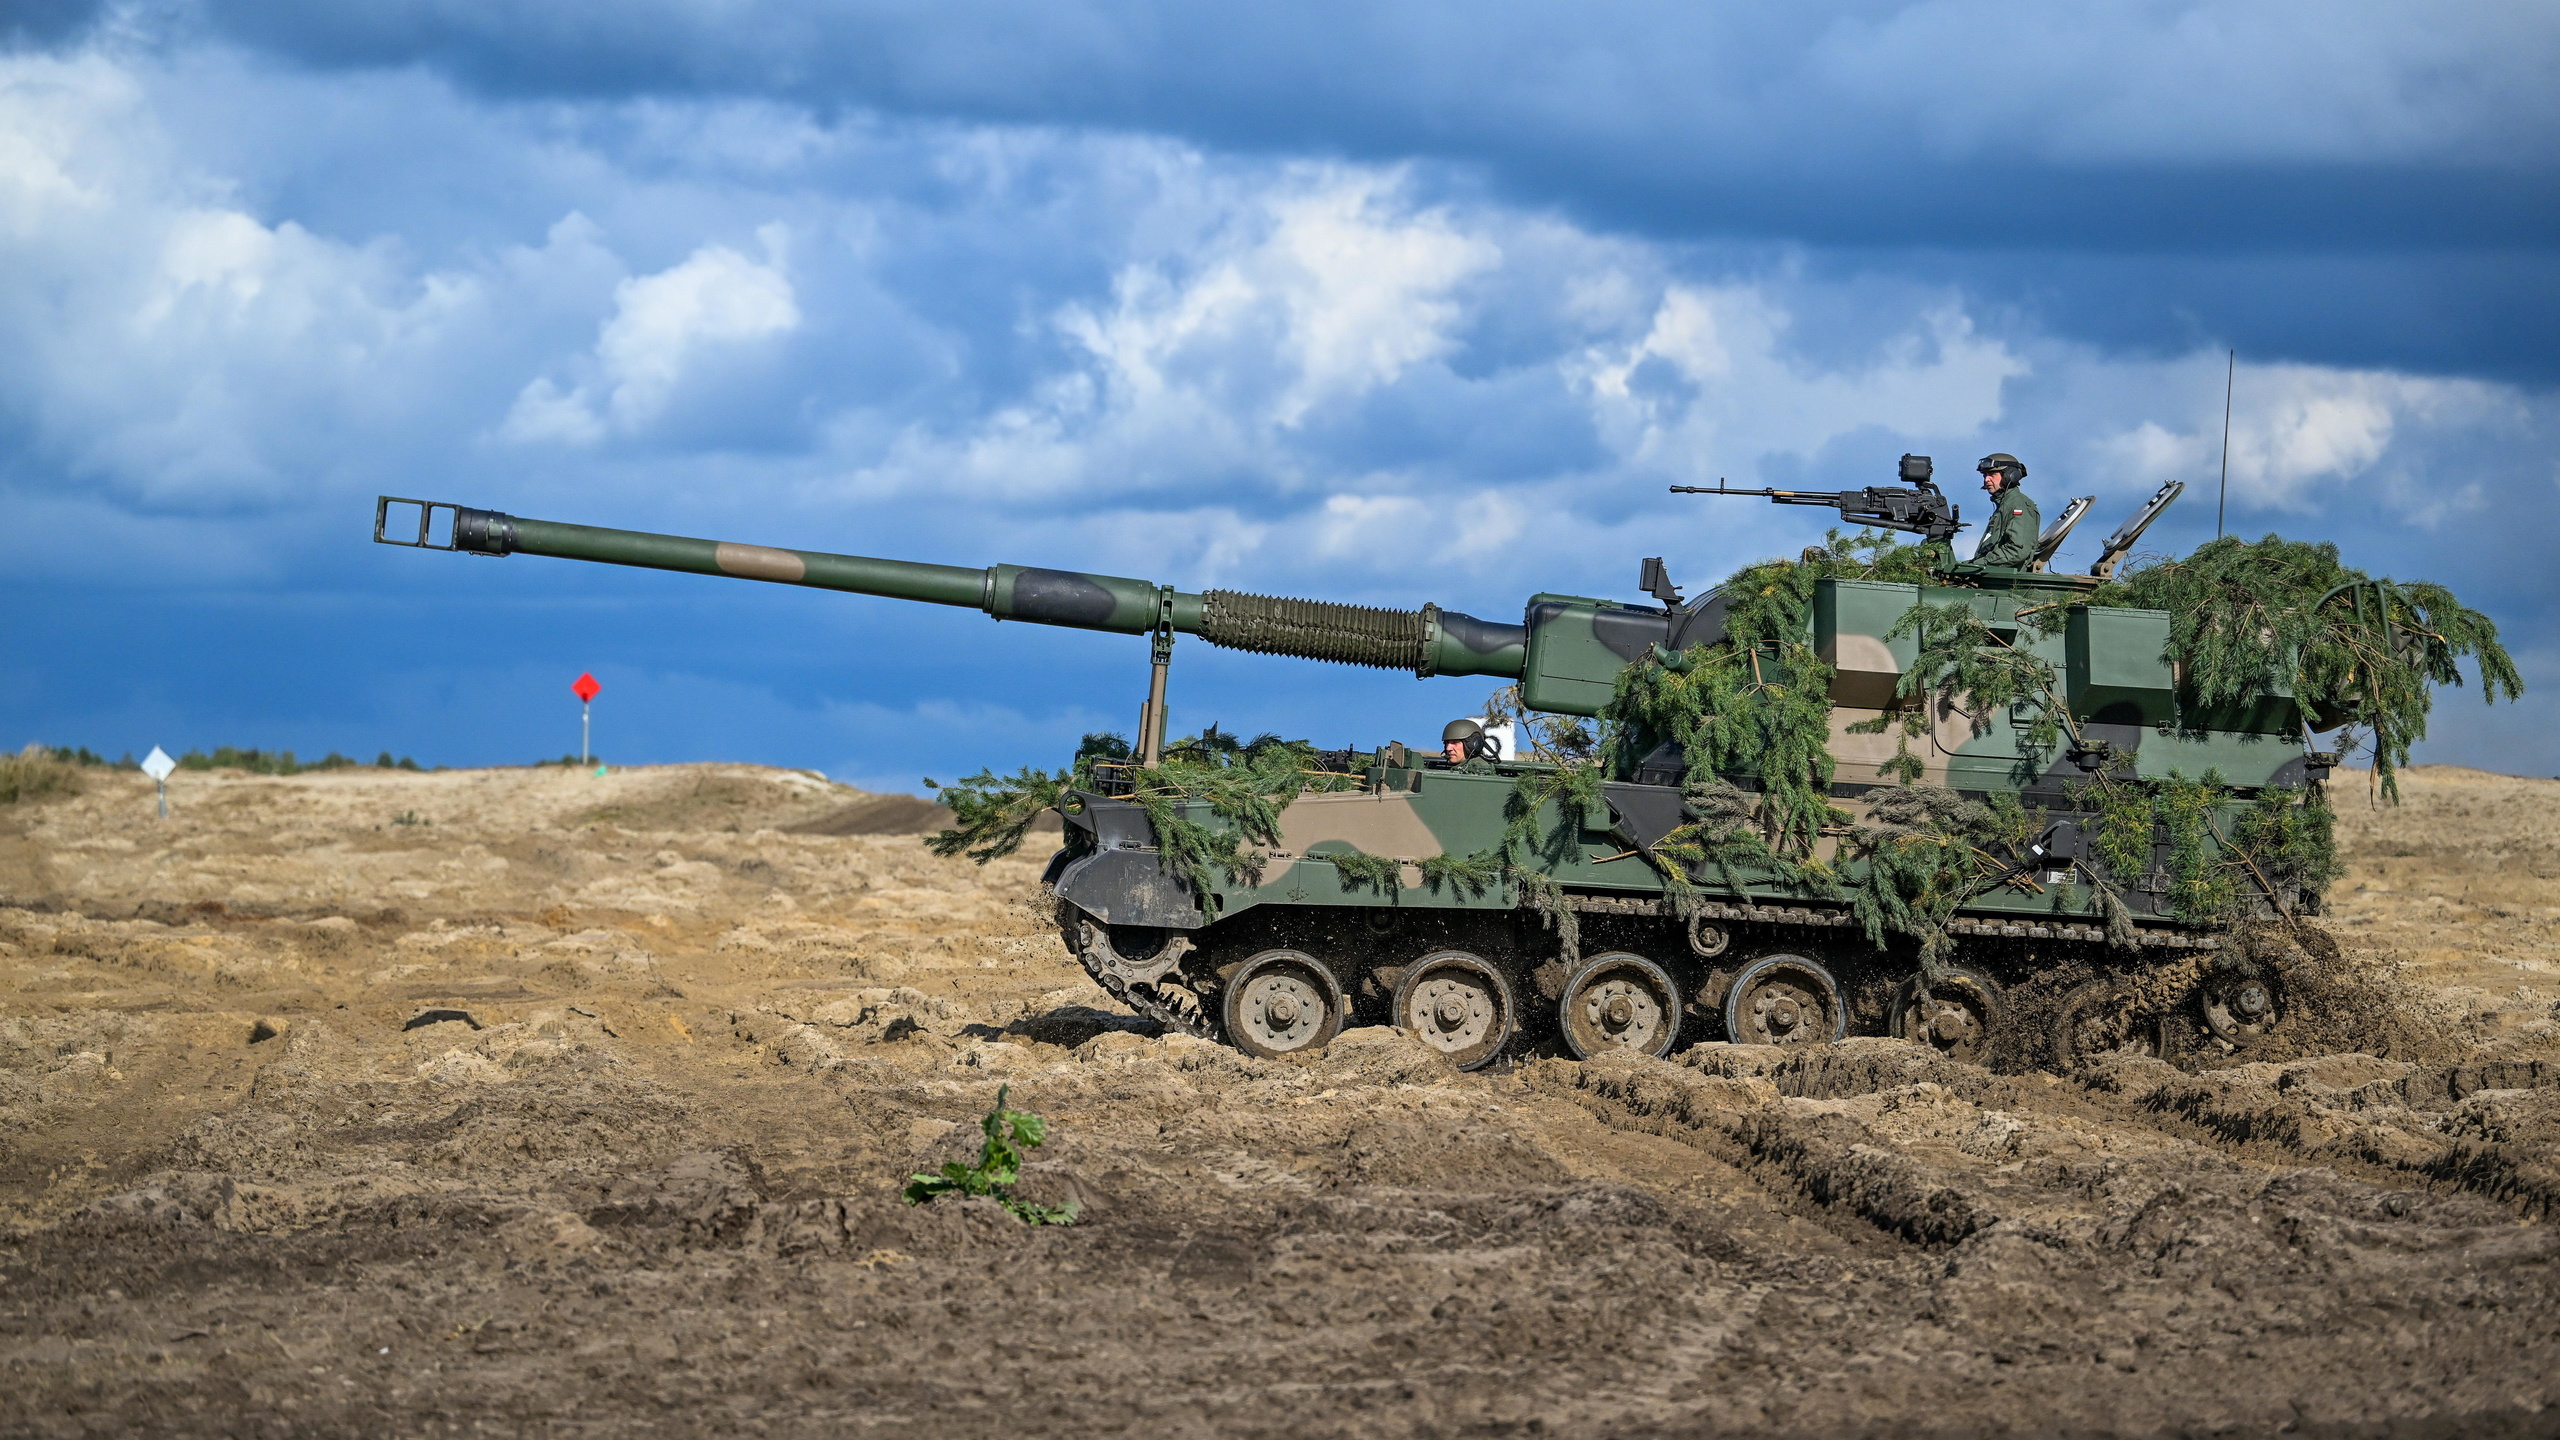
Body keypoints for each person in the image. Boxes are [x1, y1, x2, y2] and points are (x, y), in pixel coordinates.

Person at [1970, 453, 2041, 568]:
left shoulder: (2019, 506)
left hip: (2004, 581)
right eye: (1985, 475)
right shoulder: (2004, 505)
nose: (1986, 479)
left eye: (1992, 474)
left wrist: (1978, 564)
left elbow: (2017, 550)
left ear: (2011, 476)